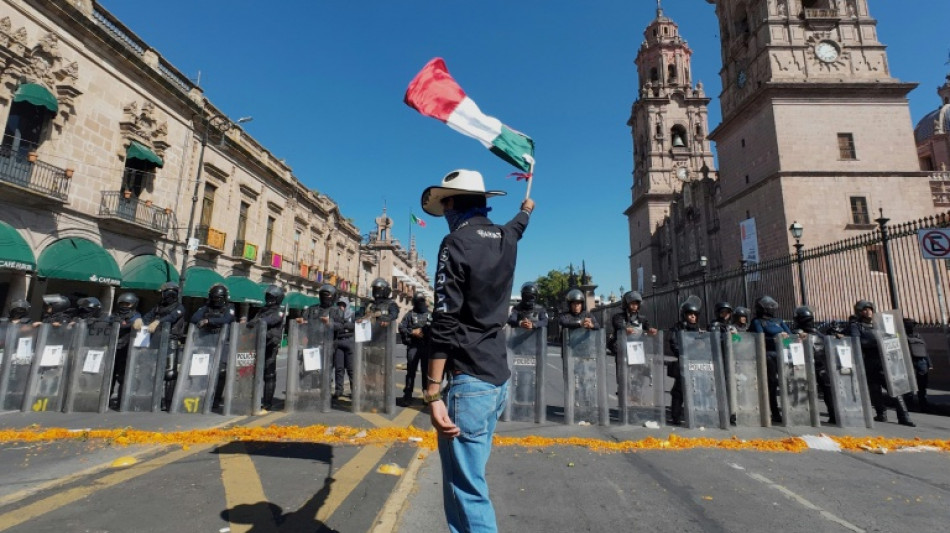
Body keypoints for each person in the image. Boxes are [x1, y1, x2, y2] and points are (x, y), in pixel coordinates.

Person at [420, 168, 533, 533]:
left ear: (452, 203)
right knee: (473, 477)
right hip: (497, 378)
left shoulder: (456, 243)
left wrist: (432, 391)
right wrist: (527, 209)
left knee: (466, 491)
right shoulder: (505, 237)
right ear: (483, 203)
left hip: (468, 379)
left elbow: (445, 318)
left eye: (446, 205)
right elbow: (518, 226)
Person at [849, 300, 914, 426]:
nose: (868, 311)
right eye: (864, 309)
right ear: (859, 312)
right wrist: (875, 342)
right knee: (874, 390)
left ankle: (904, 416)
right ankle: (881, 413)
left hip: (884, 360)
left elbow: (892, 338)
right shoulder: (857, 326)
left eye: (869, 309)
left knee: (894, 389)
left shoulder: (881, 325)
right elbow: (856, 343)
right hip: (869, 360)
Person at [141, 282, 187, 410]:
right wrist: (139, 321)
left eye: (163, 292)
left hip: (170, 341)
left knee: (170, 373)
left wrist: (158, 321)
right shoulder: (158, 306)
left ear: (169, 293)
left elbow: (172, 317)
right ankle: (150, 398)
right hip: (155, 340)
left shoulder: (179, 307)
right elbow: (148, 317)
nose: (161, 295)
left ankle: (168, 402)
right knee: (150, 370)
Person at [190, 284, 236, 408]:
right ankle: (202, 395)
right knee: (203, 370)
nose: (215, 301)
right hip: (206, 342)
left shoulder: (230, 307)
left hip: (223, 343)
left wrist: (209, 321)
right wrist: (206, 319)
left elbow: (226, 320)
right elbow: (194, 318)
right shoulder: (206, 307)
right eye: (214, 298)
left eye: (218, 298)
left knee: (221, 372)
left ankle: (216, 399)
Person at [749, 295, 791, 424]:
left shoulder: (779, 321)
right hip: (767, 356)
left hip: (782, 354)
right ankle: (774, 412)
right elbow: (758, 338)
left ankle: (790, 412)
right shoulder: (757, 321)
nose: (772, 309)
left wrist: (787, 338)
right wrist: (773, 339)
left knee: (787, 383)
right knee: (771, 384)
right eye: (769, 307)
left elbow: (790, 336)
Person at [791, 305, 836, 424]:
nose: (809, 324)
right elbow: (786, 343)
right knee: (805, 389)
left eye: (810, 320)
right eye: (807, 321)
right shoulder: (796, 333)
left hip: (820, 363)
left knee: (828, 388)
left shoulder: (816, 332)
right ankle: (805, 415)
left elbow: (825, 341)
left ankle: (833, 414)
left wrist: (832, 335)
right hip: (804, 364)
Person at [668, 298, 703, 425]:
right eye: (690, 314)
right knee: (679, 390)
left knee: (698, 389)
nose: (693, 317)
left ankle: (697, 415)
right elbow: (674, 344)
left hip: (697, 363)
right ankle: (675, 416)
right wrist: (685, 351)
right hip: (684, 361)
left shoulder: (698, 330)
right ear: (684, 315)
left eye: (695, 315)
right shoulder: (678, 328)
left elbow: (704, 345)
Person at [253, 285, 286, 411]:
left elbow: (268, 321)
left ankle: (267, 403)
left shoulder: (279, 311)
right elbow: (253, 322)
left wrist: (257, 322)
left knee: (269, 374)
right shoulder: (262, 310)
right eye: (267, 295)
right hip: (257, 345)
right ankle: (252, 399)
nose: (268, 298)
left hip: (270, 345)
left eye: (271, 296)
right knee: (253, 373)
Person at [105, 293, 141, 407]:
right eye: (122, 303)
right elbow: (107, 322)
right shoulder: (115, 315)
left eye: (127, 304)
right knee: (109, 375)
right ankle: (105, 400)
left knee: (123, 376)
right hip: (113, 348)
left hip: (127, 349)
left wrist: (126, 324)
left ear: (133, 305)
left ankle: (122, 401)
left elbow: (135, 325)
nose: (124, 306)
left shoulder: (136, 316)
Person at [398, 292, 432, 406]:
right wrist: (412, 332)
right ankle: (407, 395)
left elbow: (437, 329)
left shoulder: (430, 314)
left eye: (421, 302)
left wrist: (426, 332)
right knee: (411, 372)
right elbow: (401, 327)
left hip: (426, 346)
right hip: (413, 346)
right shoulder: (410, 314)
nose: (419, 305)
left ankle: (426, 395)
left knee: (426, 372)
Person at [903, 318, 932, 413]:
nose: (910, 326)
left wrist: (929, 364)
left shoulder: (919, 336)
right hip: (909, 362)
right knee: (909, 386)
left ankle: (923, 406)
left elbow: (925, 351)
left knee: (922, 387)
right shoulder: (901, 336)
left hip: (921, 363)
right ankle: (909, 405)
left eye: (911, 324)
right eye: (908, 324)